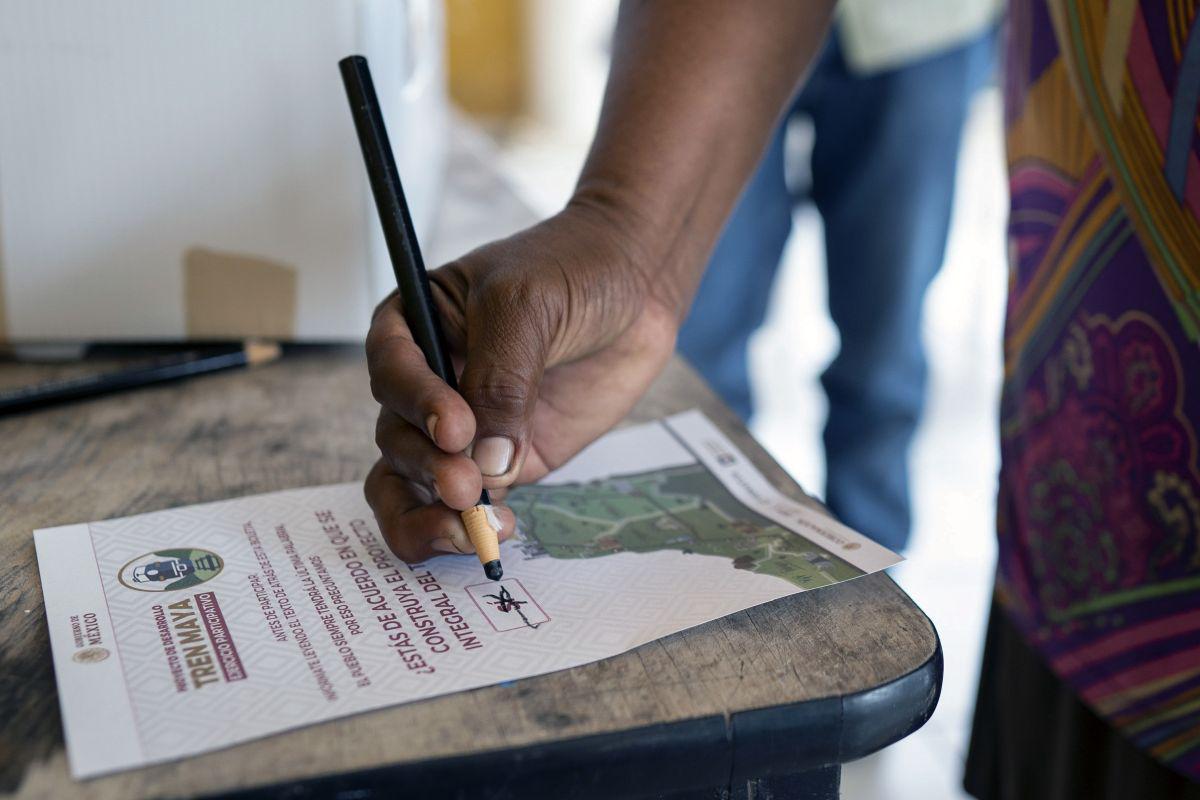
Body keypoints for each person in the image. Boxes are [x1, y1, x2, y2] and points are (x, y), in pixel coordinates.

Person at [363, 1, 1200, 793]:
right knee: (708, 359)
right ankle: (721, 649)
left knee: (883, 359)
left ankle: (855, 659)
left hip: (922, 31)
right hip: (1095, 515)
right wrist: (629, 233)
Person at [678, 6, 997, 552]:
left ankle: (874, 589)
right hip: (709, 26)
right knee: (696, 341)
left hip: (922, 27)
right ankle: (698, 564)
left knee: (884, 342)